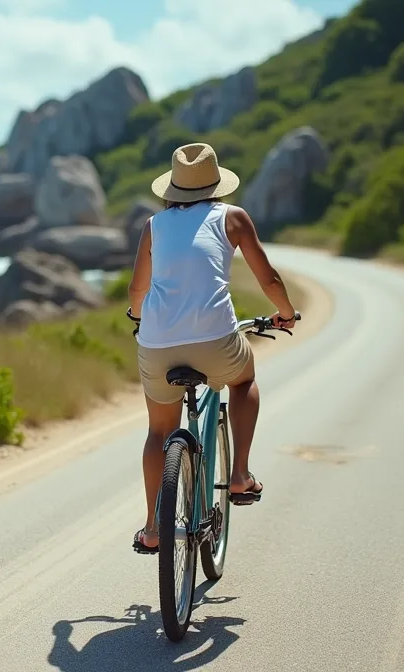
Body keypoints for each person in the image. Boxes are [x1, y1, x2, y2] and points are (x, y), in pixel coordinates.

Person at [126, 142, 297, 555]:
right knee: (244, 380)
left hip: (157, 343)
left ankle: (152, 528)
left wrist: (139, 318)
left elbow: (137, 290)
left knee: (158, 431)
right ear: (216, 184)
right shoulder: (233, 217)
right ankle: (240, 476)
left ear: (172, 188)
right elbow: (269, 279)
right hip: (216, 341)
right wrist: (286, 313)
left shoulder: (154, 225)